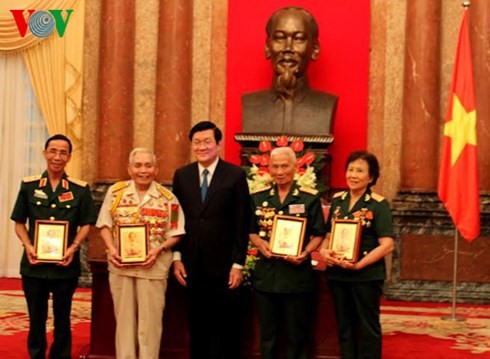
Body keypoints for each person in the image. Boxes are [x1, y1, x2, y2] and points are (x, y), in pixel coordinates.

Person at [10, 134, 97, 359]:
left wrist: (73, 247)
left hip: (64, 265)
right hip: (34, 265)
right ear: (44, 153)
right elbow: (19, 223)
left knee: (62, 319)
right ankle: (36, 355)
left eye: (63, 152)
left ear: (69, 157)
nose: (57, 157)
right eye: (53, 151)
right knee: (36, 319)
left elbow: (87, 224)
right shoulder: (29, 186)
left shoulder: (80, 189)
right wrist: (28, 245)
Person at [96, 147, 185, 359]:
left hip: (152, 267)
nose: (143, 170)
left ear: (156, 169)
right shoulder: (116, 193)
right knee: (124, 322)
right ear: (129, 169)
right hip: (121, 266)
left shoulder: (168, 198)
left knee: (150, 324)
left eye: (148, 165)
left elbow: (177, 232)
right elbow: (104, 226)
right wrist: (111, 248)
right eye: (138, 165)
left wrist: (159, 249)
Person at [172, 121, 251, 359]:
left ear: (218, 144)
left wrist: (238, 263)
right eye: (197, 142)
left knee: (225, 326)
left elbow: (242, 221)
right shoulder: (182, 175)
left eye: (207, 141)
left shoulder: (235, 175)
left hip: (224, 265)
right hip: (191, 264)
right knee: (197, 325)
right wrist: (176, 257)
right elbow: (176, 219)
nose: (202, 147)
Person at [249, 146, 326, 359]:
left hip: (296, 275)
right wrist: (260, 244)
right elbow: (251, 231)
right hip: (267, 274)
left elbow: (319, 233)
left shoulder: (309, 198)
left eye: (285, 166)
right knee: (268, 334)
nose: (280, 171)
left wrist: (305, 252)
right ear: (269, 169)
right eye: (275, 166)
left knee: (296, 334)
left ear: (295, 167)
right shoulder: (258, 197)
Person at [319, 150, 395, 359]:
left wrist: (360, 264)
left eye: (359, 171)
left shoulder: (378, 205)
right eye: (350, 169)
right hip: (338, 274)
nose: (353, 175)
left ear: (371, 177)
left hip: (365, 276)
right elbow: (327, 236)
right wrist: (325, 251)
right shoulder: (337, 201)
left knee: (367, 327)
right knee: (344, 326)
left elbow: (387, 245)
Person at [242, 6, 337, 135]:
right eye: (280, 38)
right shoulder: (251, 104)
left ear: (314, 49)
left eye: (298, 39)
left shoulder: (326, 105)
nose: (288, 48)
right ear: (267, 48)